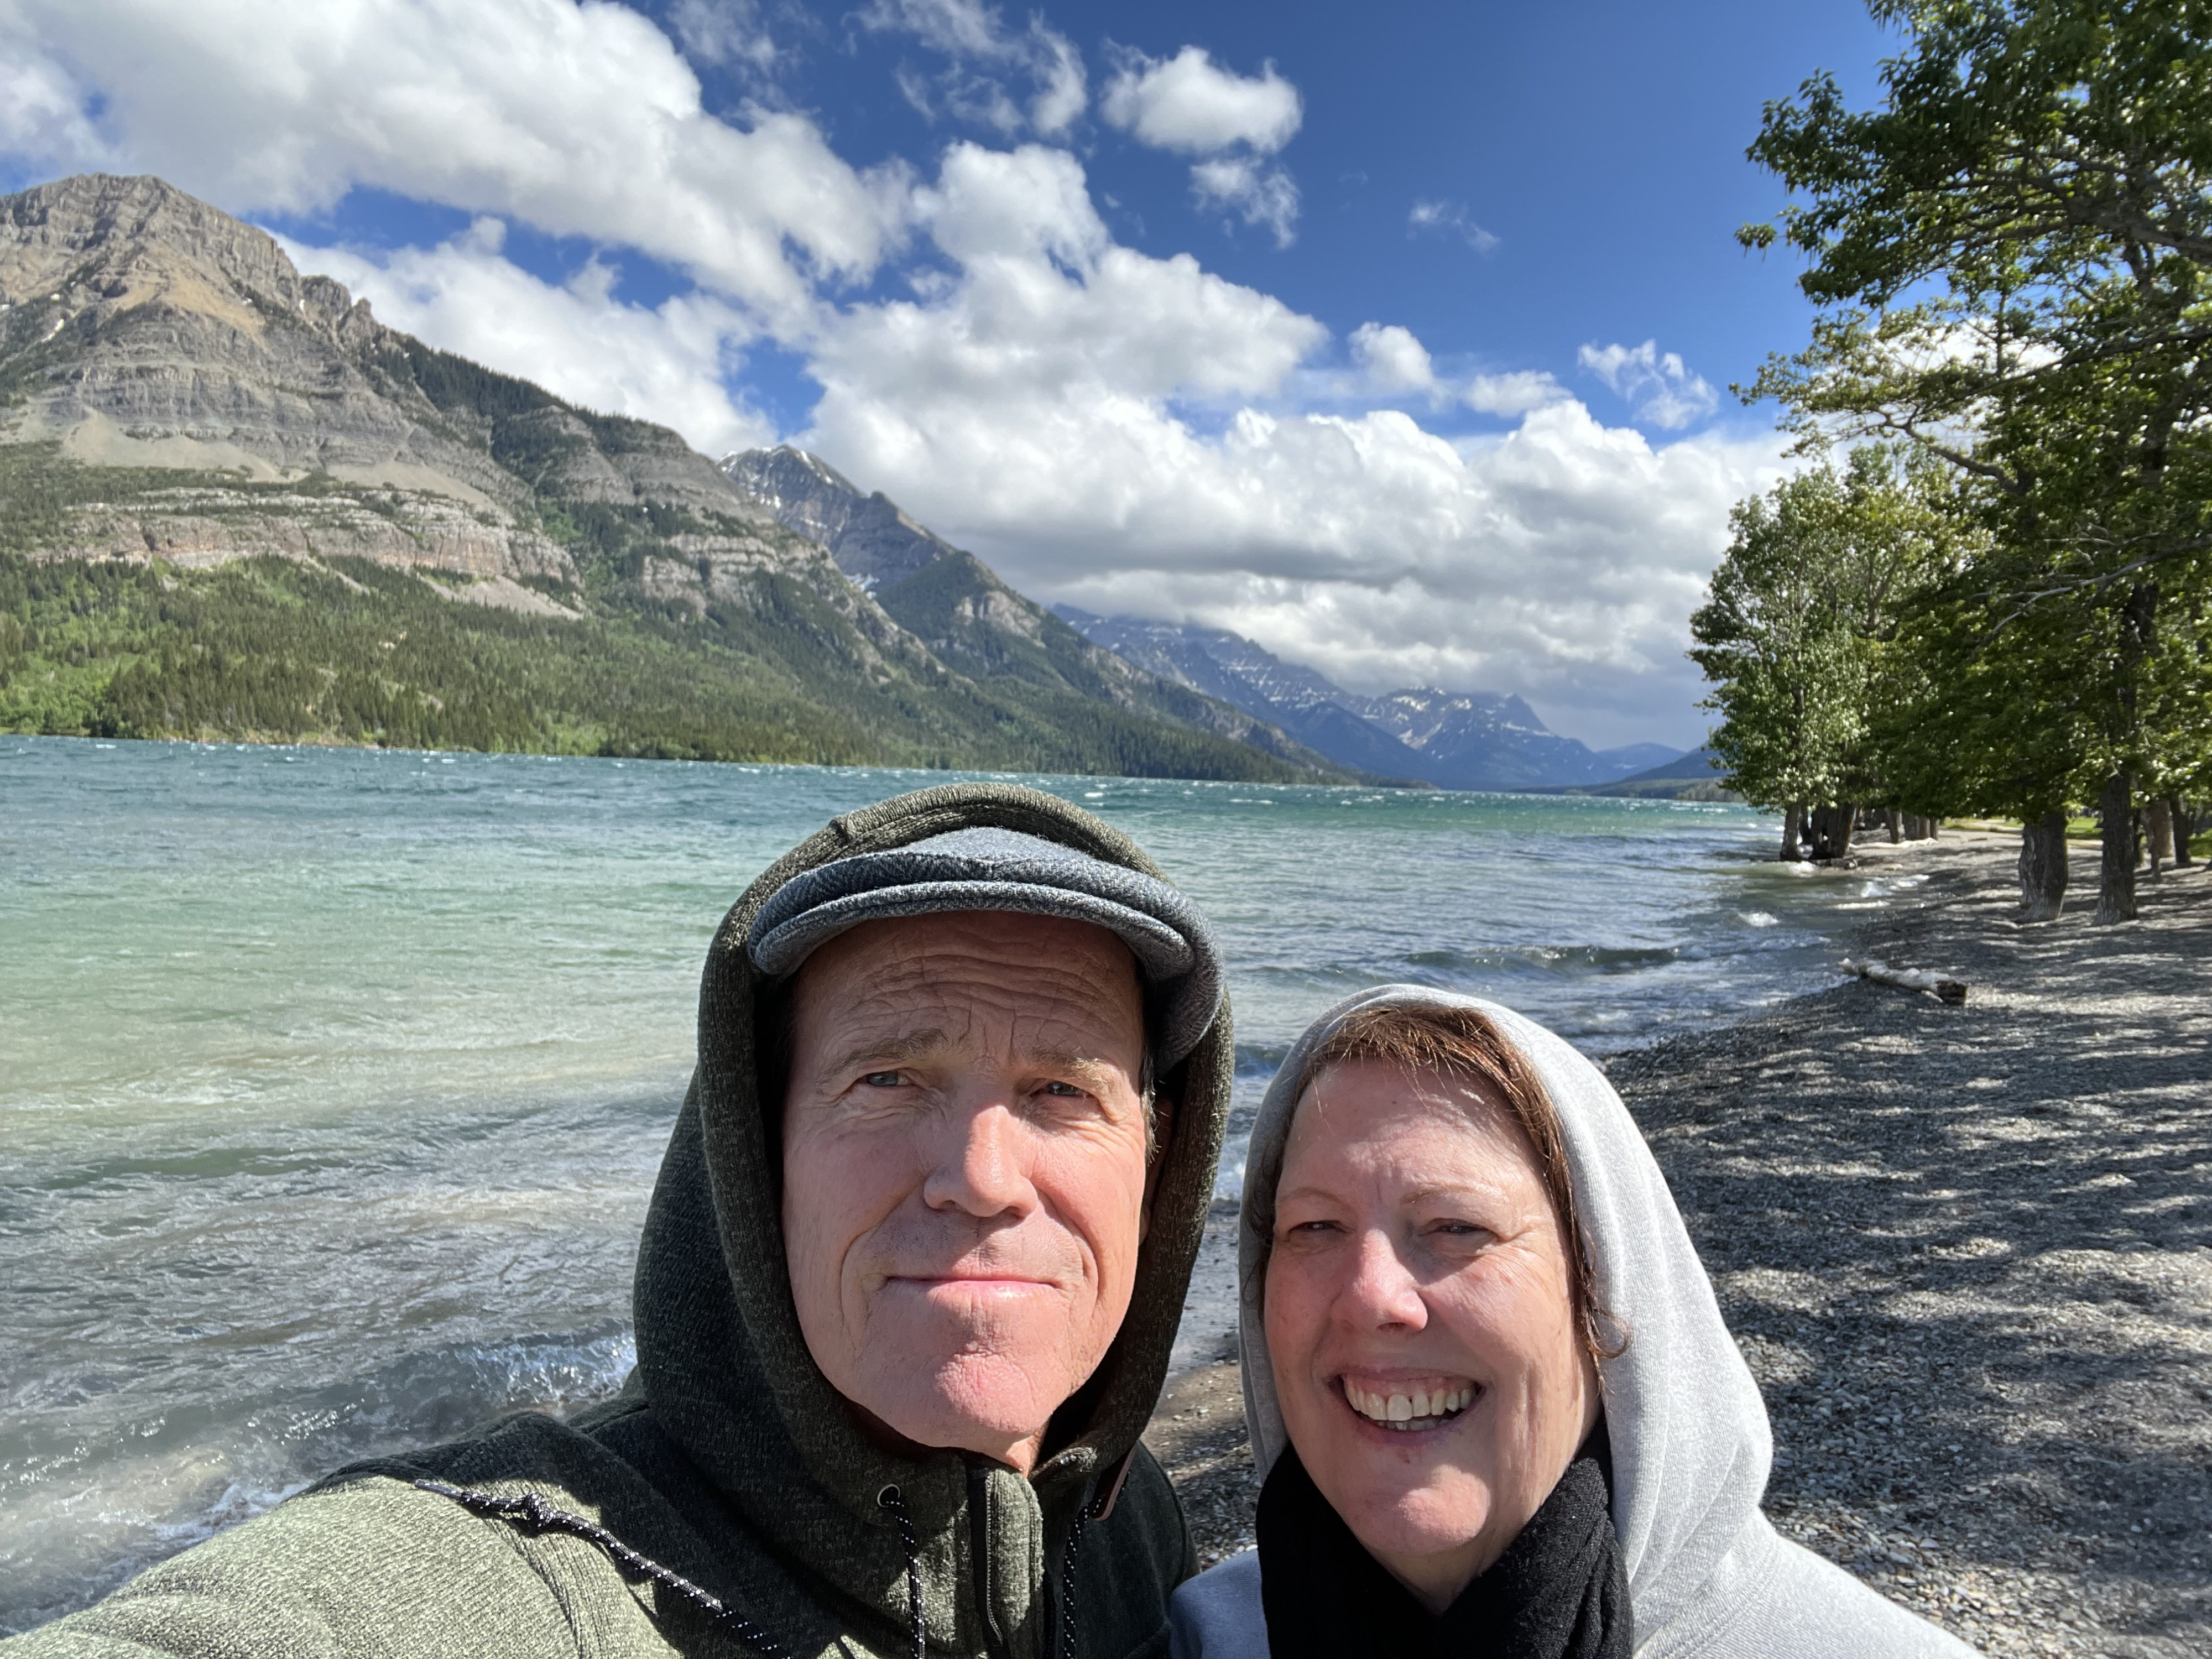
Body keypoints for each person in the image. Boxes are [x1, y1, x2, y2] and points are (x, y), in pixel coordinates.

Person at [8, 783, 1233, 1659]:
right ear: (754, 1153)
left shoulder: (1127, 1535)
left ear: (1157, 1161)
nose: (981, 1176)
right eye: (886, 1079)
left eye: (1062, 1091)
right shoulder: (536, 1573)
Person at [1169, 986, 1976, 1659]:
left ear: (1604, 1295)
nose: (1372, 1296)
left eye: (1458, 1227)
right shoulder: (1200, 1636)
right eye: (1314, 1227)